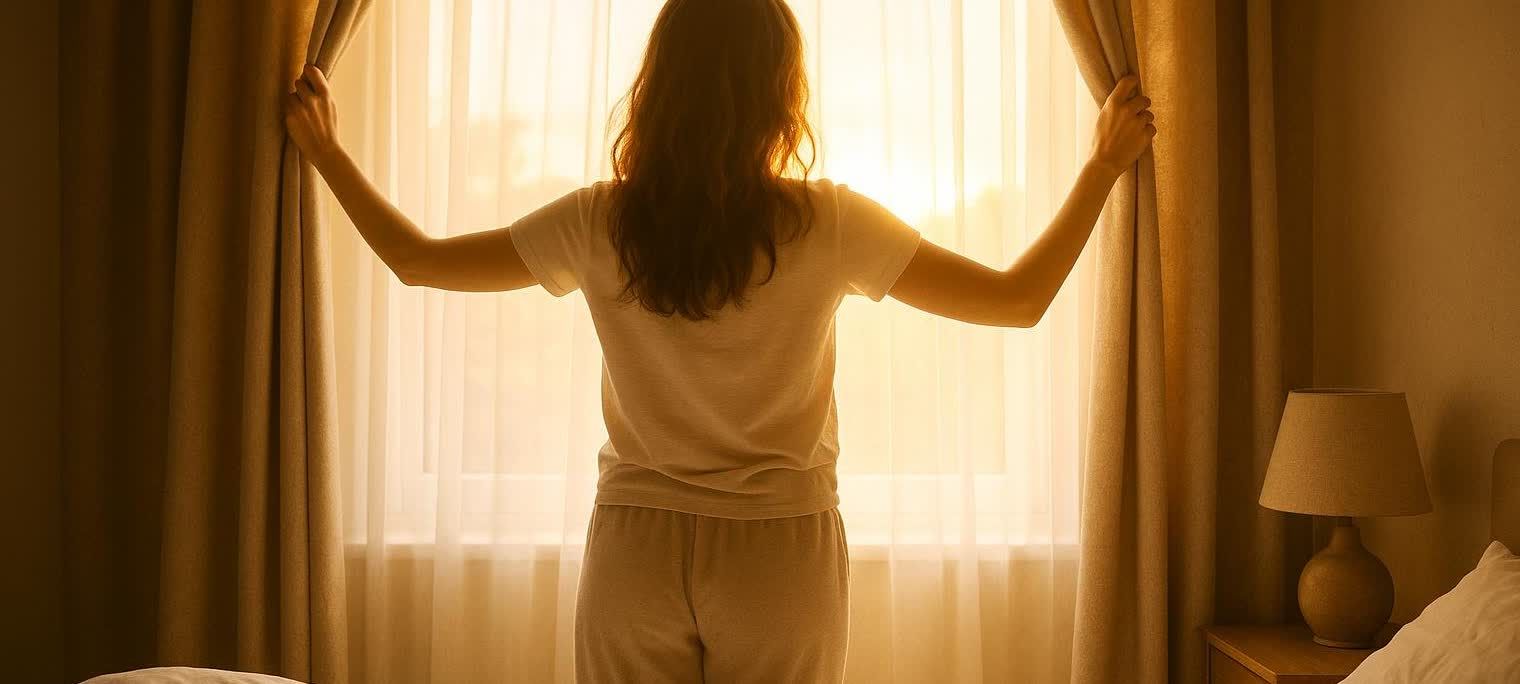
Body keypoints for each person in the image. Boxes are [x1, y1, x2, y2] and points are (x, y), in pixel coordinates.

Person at [284, 1, 1153, 681]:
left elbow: (415, 260)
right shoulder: (830, 223)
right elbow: (1017, 299)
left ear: (659, 86)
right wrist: (1101, 168)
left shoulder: (600, 219)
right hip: (779, 550)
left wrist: (326, 154)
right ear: (783, 92)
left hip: (636, 545)